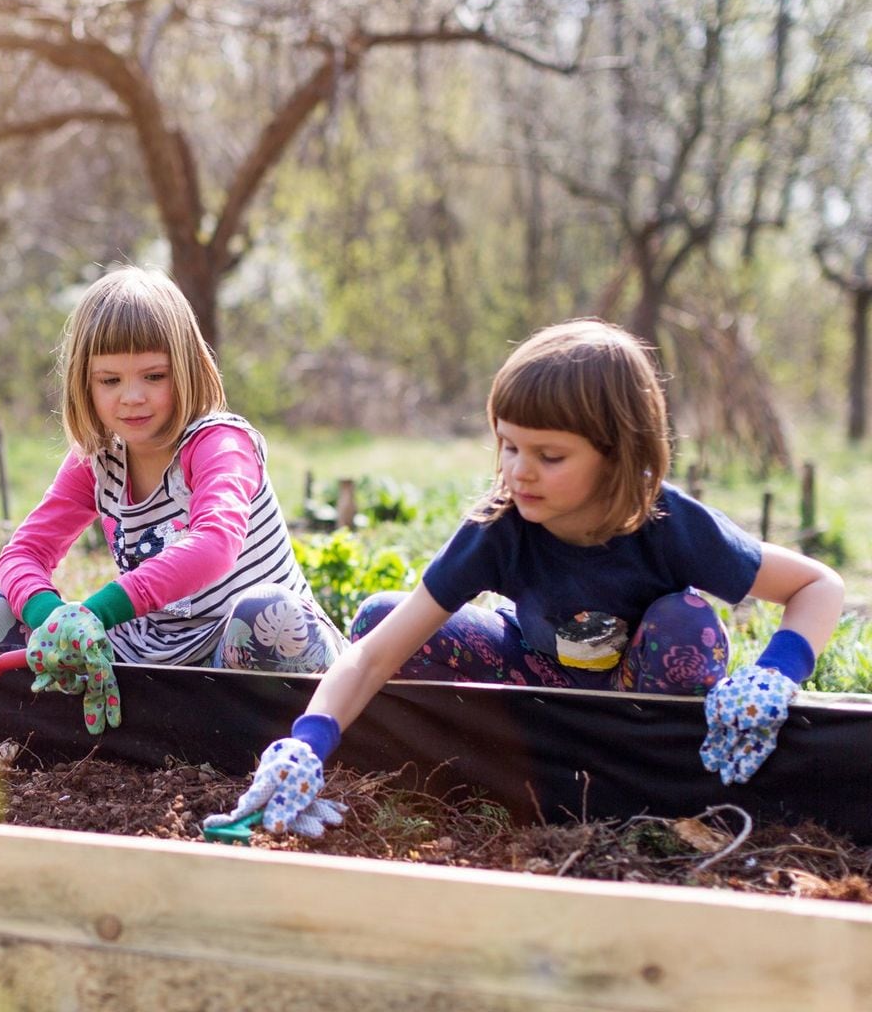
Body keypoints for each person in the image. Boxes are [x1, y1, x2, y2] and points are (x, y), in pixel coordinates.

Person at [203, 318, 845, 839]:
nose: (519, 472)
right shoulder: (501, 526)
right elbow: (374, 655)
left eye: (550, 455)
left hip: (637, 706)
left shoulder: (669, 522)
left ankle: (659, 795)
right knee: (375, 614)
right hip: (534, 688)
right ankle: (471, 772)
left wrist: (776, 675)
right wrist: (306, 744)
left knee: (687, 625)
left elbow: (818, 587)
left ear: (620, 452)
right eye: (509, 446)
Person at [0, 266, 345, 733]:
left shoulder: (219, 443)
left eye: (154, 375)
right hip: (150, 658)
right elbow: (24, 552)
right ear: (84, 383)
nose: (132, 397)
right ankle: (55, 743)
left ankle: (264, 751)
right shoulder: (97, 460)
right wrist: (55, 618)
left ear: (187, 368)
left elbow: (215, 544)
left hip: (242, 655)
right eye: (110, 380)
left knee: (265, 612)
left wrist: (95, 611)